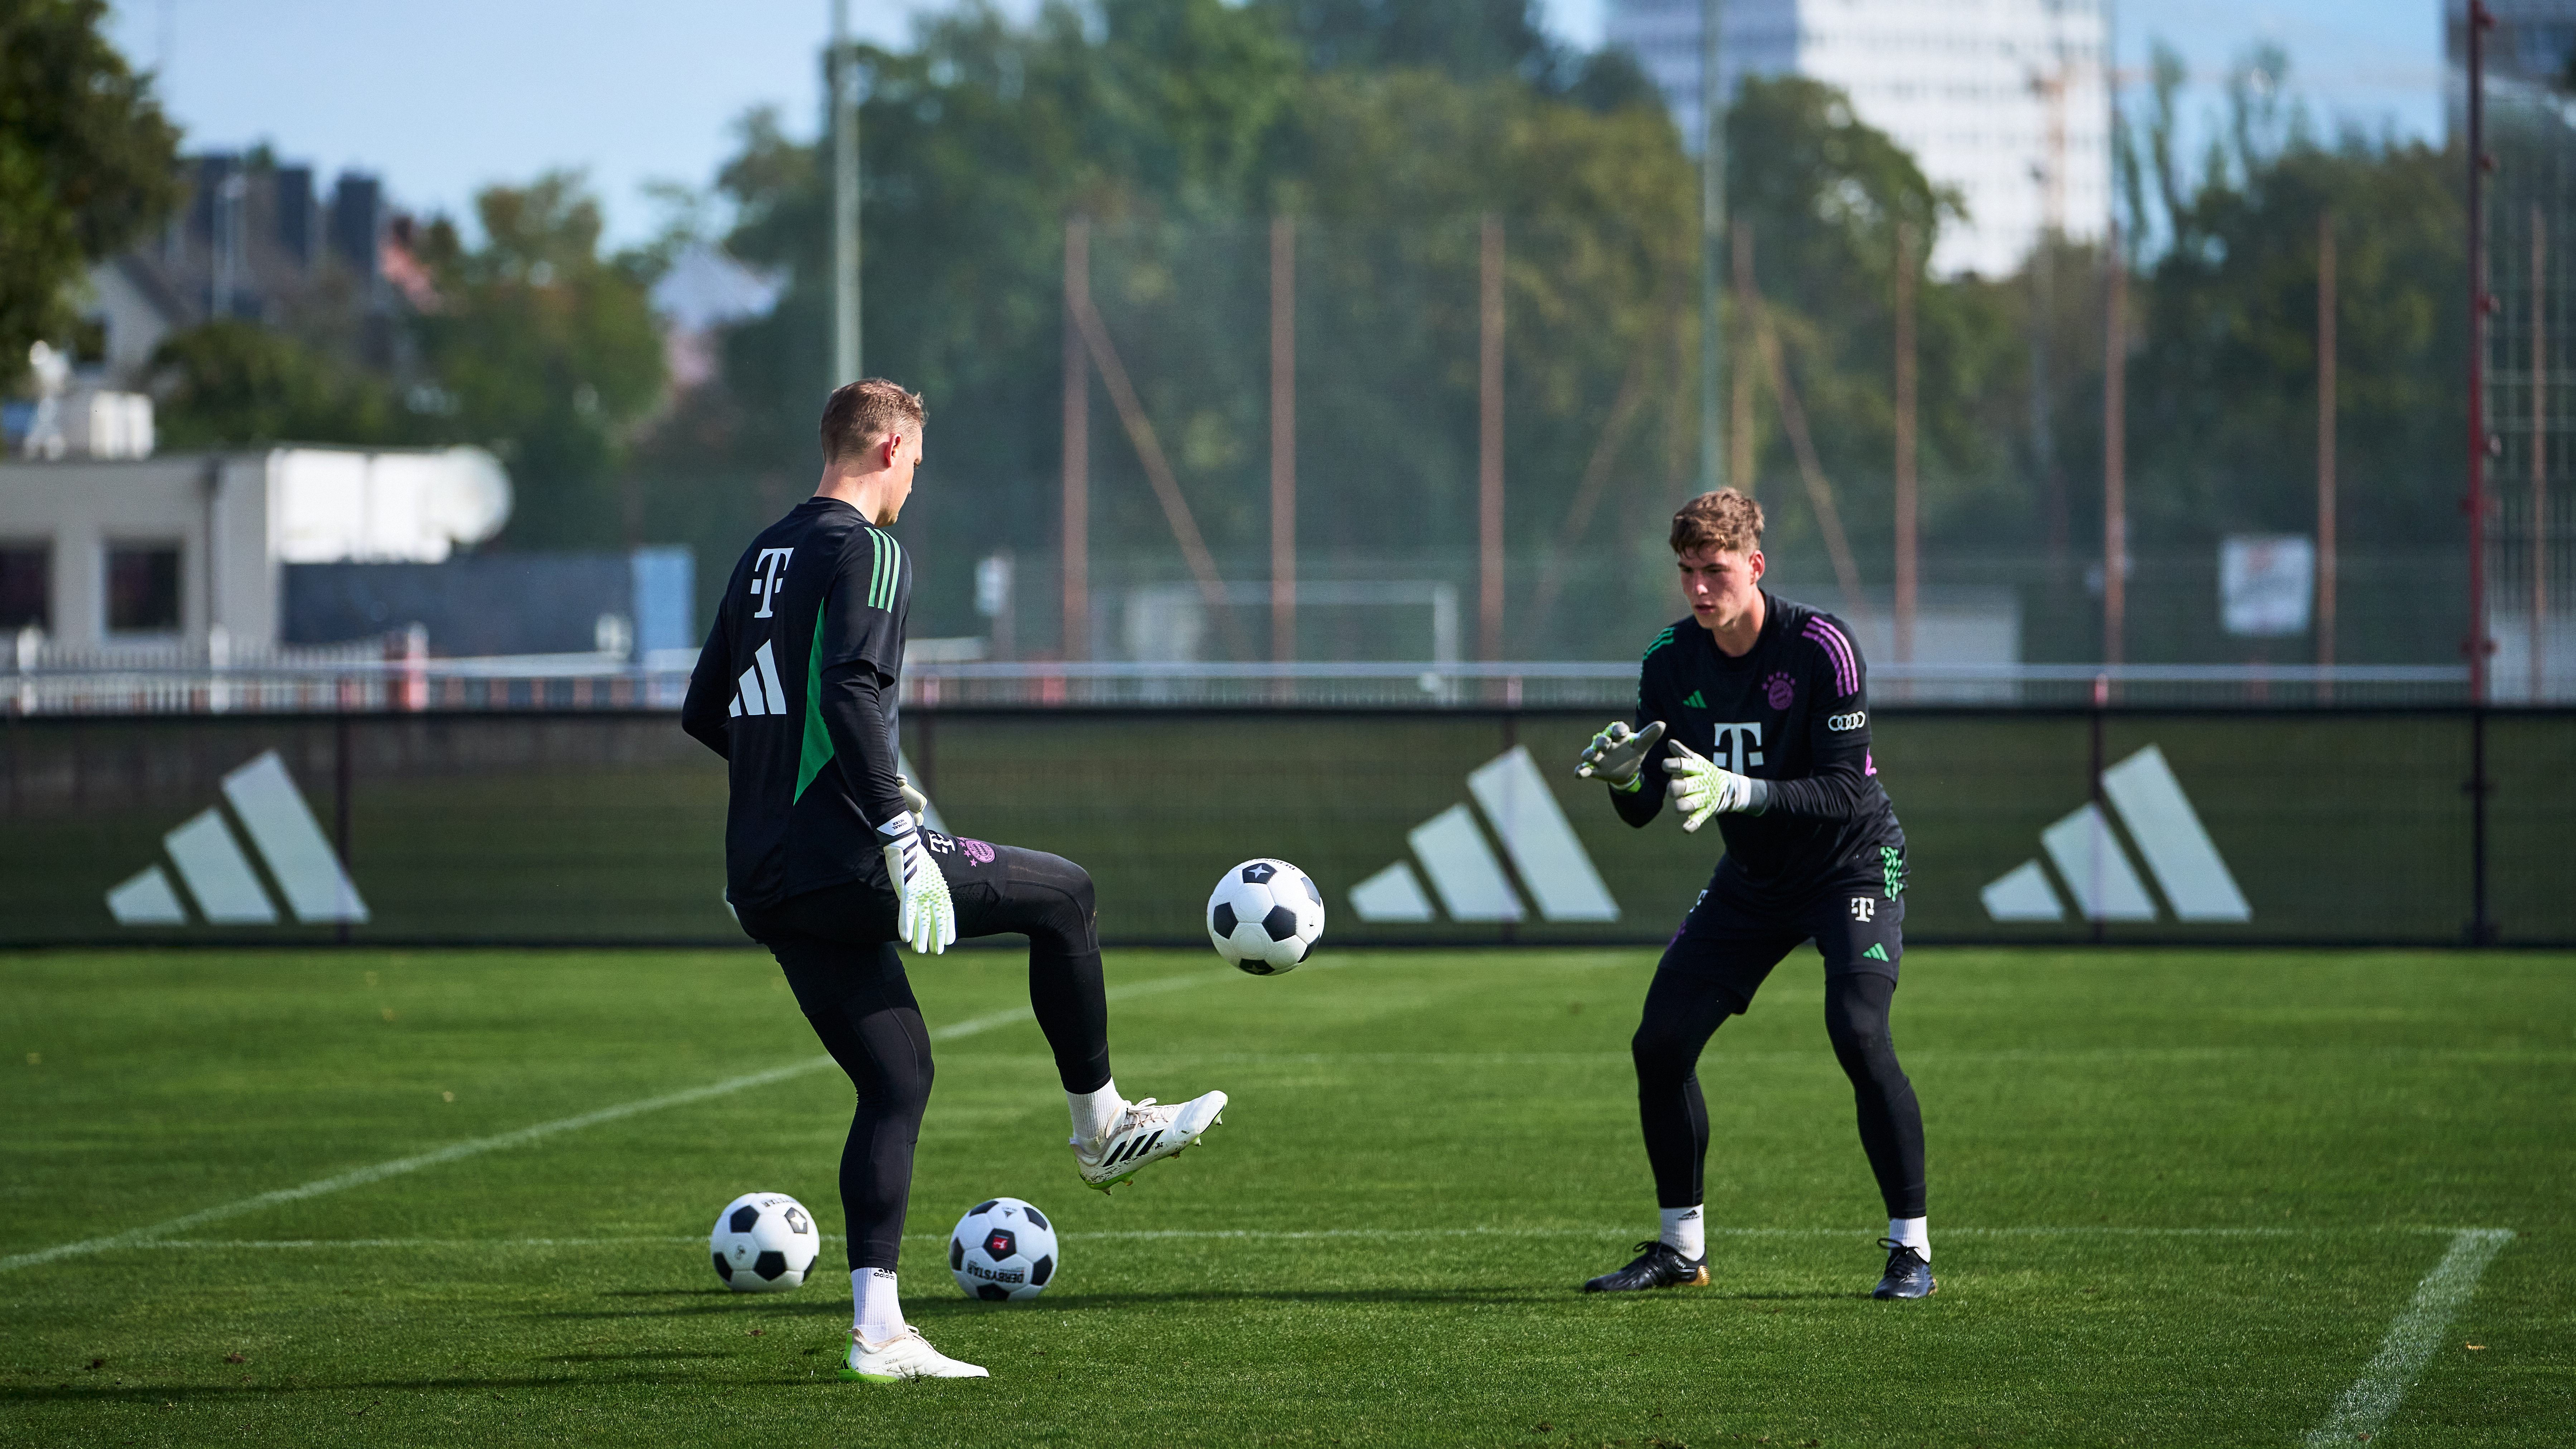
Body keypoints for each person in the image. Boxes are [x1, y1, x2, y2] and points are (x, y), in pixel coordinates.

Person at [681, 378, 1229, 1383]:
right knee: (1064, 895)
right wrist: (895, 827)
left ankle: (879, 1332)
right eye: (917, 466)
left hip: (766, 873)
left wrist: (779, 809)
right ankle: (1101, 1126)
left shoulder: (762, 552)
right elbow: (849, 684)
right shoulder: (867, 548)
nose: (913, 487)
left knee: (896, 1079)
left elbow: (705, 711)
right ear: (889, 449)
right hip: (847, 856)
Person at [1572, 488, 1931, 1300]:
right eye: (1688, 571)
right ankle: (1679, 1248)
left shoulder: (1820, 647)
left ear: (1755, 565)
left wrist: (1742, 791)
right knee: (1657, 1043)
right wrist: (1621, 780)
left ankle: (1911, 1250)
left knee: (1857, 1028)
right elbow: (1645, 808)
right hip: (1753, 879)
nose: (1700, 588)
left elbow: (1844, 789)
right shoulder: (1668, 658)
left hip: (1851, 863)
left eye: (1717, 570)